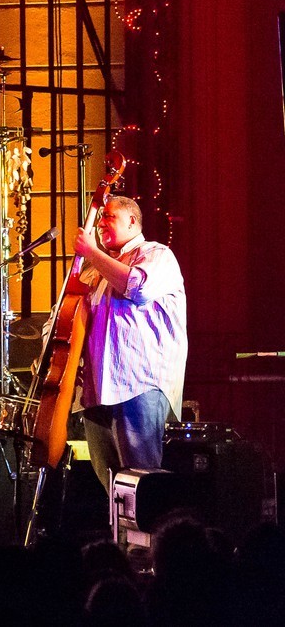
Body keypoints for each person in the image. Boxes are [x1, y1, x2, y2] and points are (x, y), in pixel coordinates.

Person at [72, 194, 187, 490]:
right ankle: (119, 538)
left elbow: (138, 287)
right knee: (113, 488)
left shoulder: (157, 254)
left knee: (141, 482)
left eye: (108, 216)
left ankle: (154, 537)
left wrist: (93, 252)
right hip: (98, 388)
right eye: (99, 218)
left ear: (132, 221)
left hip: (139, 384)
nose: (100, 223)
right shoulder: (95, 271)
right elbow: (67, 316)